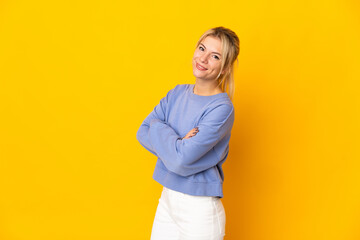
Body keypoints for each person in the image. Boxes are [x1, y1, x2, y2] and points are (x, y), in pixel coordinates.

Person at [136, 26, 240, 240]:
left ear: (226, 68)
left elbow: (180, 161)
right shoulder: (176, 93)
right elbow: (142, 131)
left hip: (199, 210)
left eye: (215, 56)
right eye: (201, 49)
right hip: (167, 200)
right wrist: (175, 140)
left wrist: (158, 128)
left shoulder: (221, 108)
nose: (203, 58)